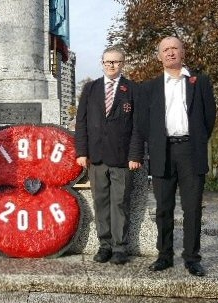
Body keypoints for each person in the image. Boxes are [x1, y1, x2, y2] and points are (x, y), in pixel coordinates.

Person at [138, 36, 216, 277]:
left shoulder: (199, 82)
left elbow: (208, 117)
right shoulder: (149, 88)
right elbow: (143, 123)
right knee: (163, 207)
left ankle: (192, 258)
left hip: (191, 150)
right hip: (162, 151)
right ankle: (165, 255)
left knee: (192, 208)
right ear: (159, 56)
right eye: (166, 49)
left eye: (175, 48)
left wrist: (197, 140)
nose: (171, 53)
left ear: (183, 52)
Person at [75, 46, 143, 265]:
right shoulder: (90, 88)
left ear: (123, 63)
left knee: (120, 203)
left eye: (116, 62)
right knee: (101, 203)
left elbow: (138, 127)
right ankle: (104, 246)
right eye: (107, 62)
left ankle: (119, 247)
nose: (111, 65)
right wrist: (81, 152)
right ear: (102, 63)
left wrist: (135, 155)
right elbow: (81, 122)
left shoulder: (132, 89)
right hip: (96, 158)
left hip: (123, 159)